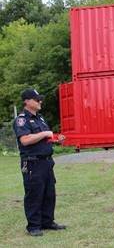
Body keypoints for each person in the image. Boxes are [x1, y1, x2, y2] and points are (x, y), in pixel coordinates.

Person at [13, 88, 66, 236]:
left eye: (40, 99)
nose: (40, 101)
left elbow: (44, 140)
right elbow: (25, 140)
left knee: (49, 193)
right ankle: (34, 226)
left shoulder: (40, 118)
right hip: (32, 163)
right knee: (34, 194)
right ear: (27, 101)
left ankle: (47, 222)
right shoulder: (22, 119)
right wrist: (44, 133)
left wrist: (55, 139)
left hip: (46, 162)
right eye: (37, 99)